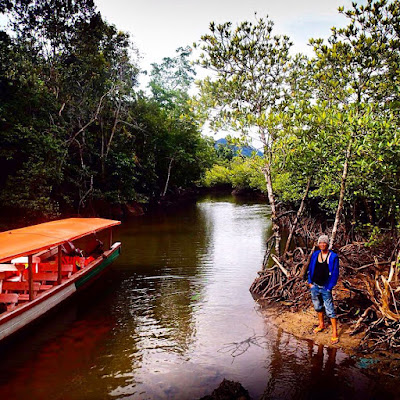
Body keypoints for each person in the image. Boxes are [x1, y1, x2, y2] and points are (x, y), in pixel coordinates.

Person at [307, 234, 339, 344]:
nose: (322, 244)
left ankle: (335, 332)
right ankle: (321, 325)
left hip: (326, 287)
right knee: (317, 306)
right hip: (314, 285)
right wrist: (310, 282)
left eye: (324, 242)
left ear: (327, 244)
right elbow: (310, 268)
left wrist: (330, 287)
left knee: (330, 309)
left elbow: (335, 274)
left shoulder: (333, 256)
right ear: (318, 244)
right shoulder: (315, 254)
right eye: (320, 242)